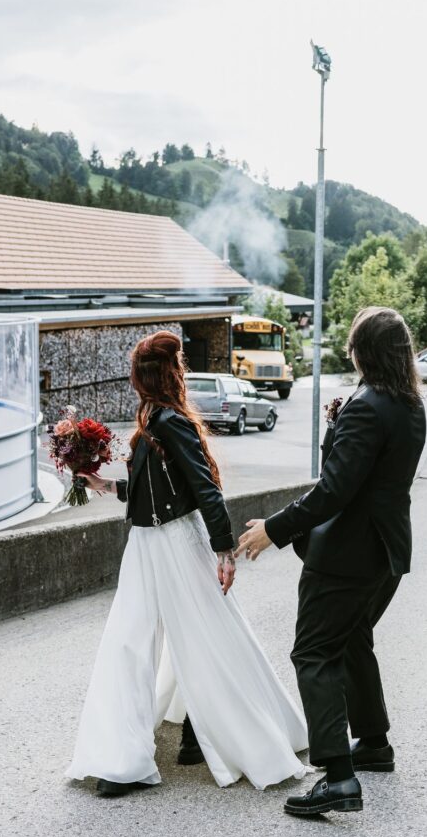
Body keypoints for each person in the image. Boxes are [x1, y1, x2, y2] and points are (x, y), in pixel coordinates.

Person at [66, 330, 307, 796]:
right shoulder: (152, 420)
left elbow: (204, 489)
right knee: (130, 642)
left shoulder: (170, 422)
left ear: (144, 378)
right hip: (146, 545)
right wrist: (101, 485)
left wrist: (223, 550)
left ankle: (204, 735)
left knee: (204, 635)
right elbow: (150, 489)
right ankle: (130, 757)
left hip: (176, 541)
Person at [236, 306, 426, 817]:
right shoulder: (409, 403)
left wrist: (274, 529)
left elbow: (334, 489)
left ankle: (339, 777)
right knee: (354, 639)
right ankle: (374, 743)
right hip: (386, 552)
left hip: (348, 557)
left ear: (362, 351)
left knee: (314, 654)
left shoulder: (368, 406)